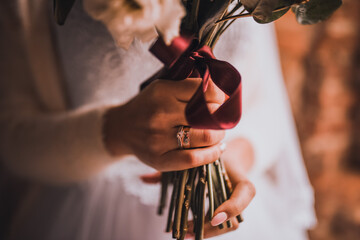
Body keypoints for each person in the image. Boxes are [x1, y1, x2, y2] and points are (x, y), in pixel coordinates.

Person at [0, 0, 316, 239]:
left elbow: (266, 102)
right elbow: (12, 134)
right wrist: (115, 131)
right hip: (84, 213)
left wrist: (229, 154)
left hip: (213, 200)